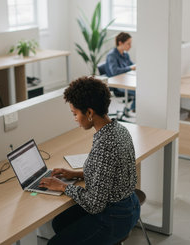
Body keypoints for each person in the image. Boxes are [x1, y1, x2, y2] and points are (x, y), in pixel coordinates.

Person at [39, 76, 140, 244]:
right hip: (128, 205)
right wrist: (77, 174)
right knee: (60, 222)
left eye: (75, 113)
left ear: (90, 112)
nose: (75, 118)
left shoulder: (105, 145)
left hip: (114, 217)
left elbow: (95, 204)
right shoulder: (117, 128)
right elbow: (109, 174)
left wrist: (63, 187)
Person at [105, 32, 137, 113]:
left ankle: (133, 109)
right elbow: (115, 71)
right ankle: (133, 109)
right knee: (140, 91)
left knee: (142, 88)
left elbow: (132, 65)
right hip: (118, 84)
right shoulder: (112, 55)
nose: (130, 46)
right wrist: (130, 68)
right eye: (128, 44)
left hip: (125, 80)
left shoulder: (125, 54)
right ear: (120, 43)